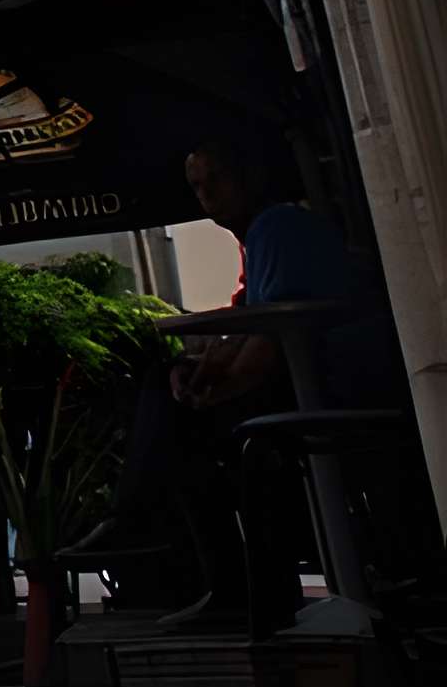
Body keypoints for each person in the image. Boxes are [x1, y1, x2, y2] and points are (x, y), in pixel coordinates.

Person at [75, 131, 366, 629]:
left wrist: (216, 388)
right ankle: (162, 536)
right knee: (176, 402)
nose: (208, 195)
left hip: (333, 386)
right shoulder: (267, 237)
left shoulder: (278, 227)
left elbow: (274, 338)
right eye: (197, 185)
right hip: (324, 383)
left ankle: (153, 531)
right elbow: (251, 324)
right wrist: (212, 370)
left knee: (182, 423)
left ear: (250, 176)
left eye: (216, 179)